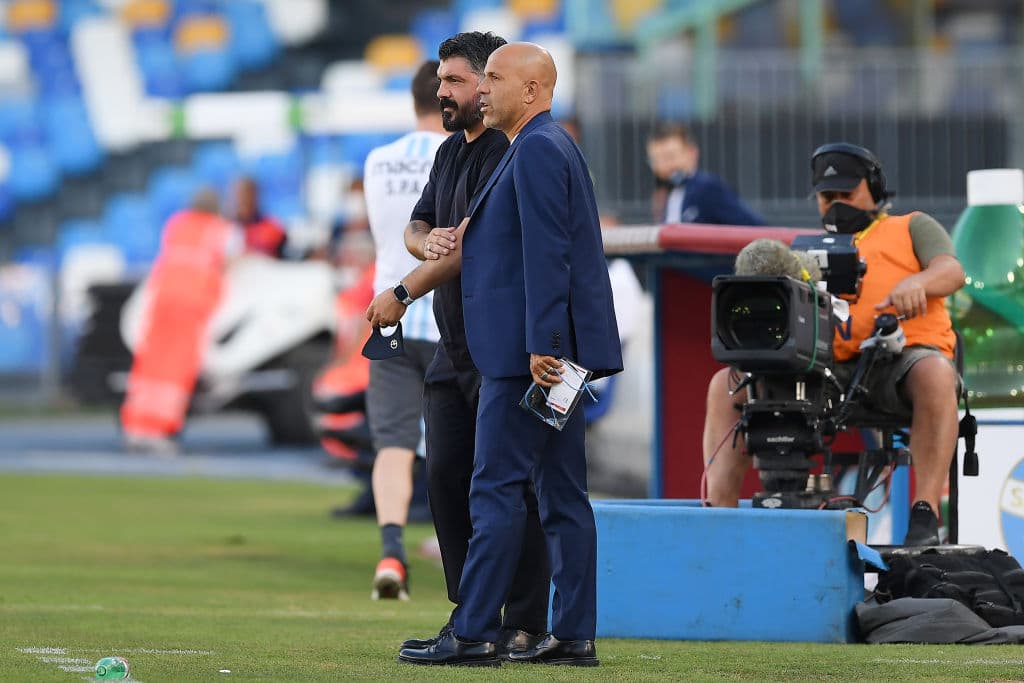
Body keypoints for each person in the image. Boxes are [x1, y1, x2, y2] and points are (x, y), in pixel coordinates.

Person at [391, 42, 623, 667]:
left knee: (494, 487)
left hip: (524, 359)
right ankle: (572, 633)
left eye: (494, 77)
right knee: (561, 494)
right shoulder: (536, 147)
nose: (483, 88)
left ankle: (471, 632)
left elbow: (550, 256)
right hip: (546, 354)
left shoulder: (539, 150)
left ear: (532, 91)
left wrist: (542, 349)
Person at [364, 32, 553, 658]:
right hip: (456, 345)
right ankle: (469, 615)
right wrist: (427, 242)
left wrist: (404, 287)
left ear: (488, 82)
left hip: (506, 346)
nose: (441, 91)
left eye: (454, 80)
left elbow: (471, 249)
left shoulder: (511, 152)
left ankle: (522, 621)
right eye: (440, 81)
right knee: (445, 479)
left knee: (510, 487)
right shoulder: (449, 153)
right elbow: (419, 227)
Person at [701, 142, 965, 546]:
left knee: (934, 373)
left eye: (847, 194)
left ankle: (924, 514)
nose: (837, 203)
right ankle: (716, 522)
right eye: (828, 197)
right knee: (726, 384)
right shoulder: (803, 251)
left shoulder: (911, 226)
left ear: (874, 189)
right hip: (822, 373)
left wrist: (918, 282)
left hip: (897, 364)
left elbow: (951, 270)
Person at [360, 60, 448, 600]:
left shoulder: (377, 160)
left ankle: (391, 550)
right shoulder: (459, 156)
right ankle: (449, 542)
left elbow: (382, 236)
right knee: (451, 441)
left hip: (386, 313)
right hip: (443, 317)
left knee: (392, 441)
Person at [120, 189, 237, 453]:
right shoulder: (221, 229)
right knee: (176, 367)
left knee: (150, 363)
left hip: (163, 297)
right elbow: (229, 263)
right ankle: (161, 429)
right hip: (193, 301)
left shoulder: (177, 224)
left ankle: (135, 426)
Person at [647, 122, 763, 226]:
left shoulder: (706, 188)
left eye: (670, 157)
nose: (663, 166)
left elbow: (753, 227)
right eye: (656, 160)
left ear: (692, 153)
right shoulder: (667, 195)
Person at [232, 176, 288, 258]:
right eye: (240, 194)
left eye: (248, 194)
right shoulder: (226, 229)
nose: (243, 199)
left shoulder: (272, 229)